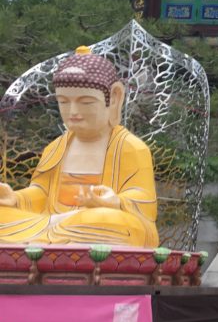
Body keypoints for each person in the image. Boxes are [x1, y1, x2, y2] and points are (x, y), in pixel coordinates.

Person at [0, 47, 159, 246]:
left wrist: (116, 202)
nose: (73, 111)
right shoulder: (55, 148)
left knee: (109, 220)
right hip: (50, 222)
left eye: (86, 102)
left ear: (114, 98)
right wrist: (15, 199)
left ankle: (45, 238)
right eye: (64, 102)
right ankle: (51, 236)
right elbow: (41, 193)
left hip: (97, 223)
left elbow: (145, 202)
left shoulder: (131, 148)